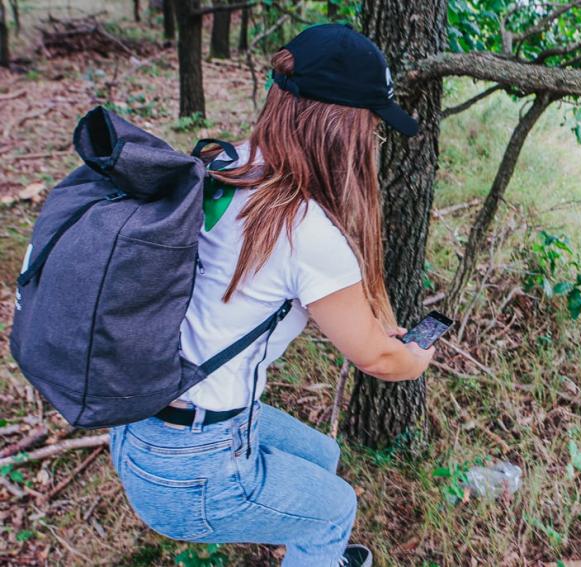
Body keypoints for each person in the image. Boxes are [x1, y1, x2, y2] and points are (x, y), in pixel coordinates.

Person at [108, 24, 434, 567]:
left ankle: (316, 553)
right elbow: (378, 358)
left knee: (323, 455)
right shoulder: (305, 230)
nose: (372, 141)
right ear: (342, 128)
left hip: (138, 422)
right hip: (191, 467)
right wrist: (415, 359)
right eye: (372, 127)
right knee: (337, 508)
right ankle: (321, 550)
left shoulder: (223, 163)